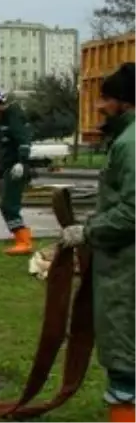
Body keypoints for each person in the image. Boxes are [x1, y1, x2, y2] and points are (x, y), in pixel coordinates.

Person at [58, 62, 136, 422]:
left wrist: (89, 232)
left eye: (106, 98)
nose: (99, 105)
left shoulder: (132, 143)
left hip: (129, 274)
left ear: (127, 102)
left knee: (126, 370)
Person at [0, 87, 34, 255]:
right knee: (8, 205)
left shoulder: (13, 116)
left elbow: (23, 140)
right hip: (9, 167)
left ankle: (24, 241)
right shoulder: (1, 119)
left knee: (9, 205)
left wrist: (21, 163)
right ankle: (22, 240)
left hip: (15, 167)